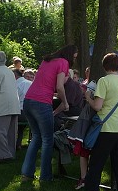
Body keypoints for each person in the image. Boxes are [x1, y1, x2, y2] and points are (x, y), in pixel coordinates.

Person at [75, 53, 118, 191]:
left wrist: (88, 96)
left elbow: (97, 106)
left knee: (96, 164)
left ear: (104, 66)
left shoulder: (103, 81)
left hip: (106, 128)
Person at [21, 44, 77, 182]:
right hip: (41, 102)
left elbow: (50, 82)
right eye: (75, 56)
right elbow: (59, 87)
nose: (74, 59)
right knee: (48, 139)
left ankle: (27, 174)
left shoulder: (47, 61)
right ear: (70, 54)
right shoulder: (64, 62)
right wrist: (65, 102)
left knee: (36, 137)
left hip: (28, 100)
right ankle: (45, 176)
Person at [14, 68, 34, 149]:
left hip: (20, 112)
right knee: (21, 127)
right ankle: (18, 144)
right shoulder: (32, 84)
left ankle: (13, 144)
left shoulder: (16, 84)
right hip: (32, 113)